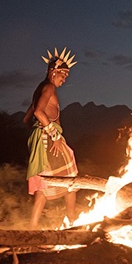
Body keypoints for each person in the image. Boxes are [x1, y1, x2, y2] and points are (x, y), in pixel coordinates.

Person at [23, 47, 79, 229]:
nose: (64, 80)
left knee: (44, 184)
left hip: (43, 137)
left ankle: (32, 228)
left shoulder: (40, 89)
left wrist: (36, 133)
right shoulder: (48, 87)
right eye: (63, 76)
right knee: (71, 177)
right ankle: (72, 220)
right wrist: (53, 135)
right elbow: (38, 112)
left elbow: (27, 117)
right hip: (49, 138)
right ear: (53, 72)